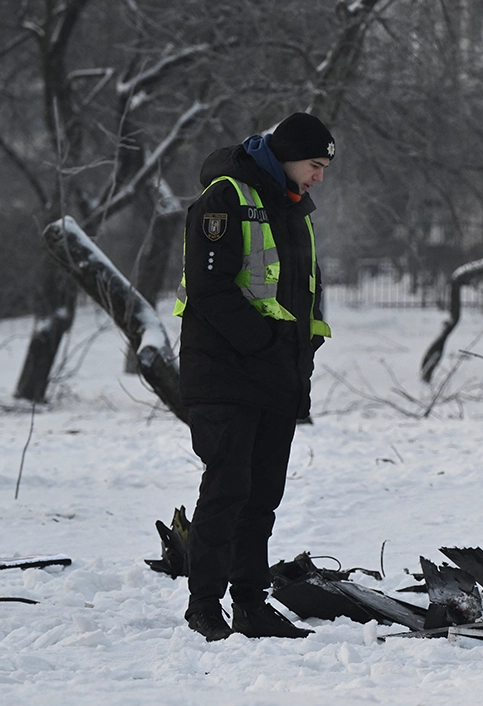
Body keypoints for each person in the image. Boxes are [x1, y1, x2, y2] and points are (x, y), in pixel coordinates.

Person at [173, 113, 335, 641]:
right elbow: (210, 290)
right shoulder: (224, 199)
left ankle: (250, 604)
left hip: (275, 380)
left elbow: (303, 298)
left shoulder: (295, 210)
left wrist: (298, 366)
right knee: (227, 491)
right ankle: (204, 608)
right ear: (287, 155)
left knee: (262, 495)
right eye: (314, 165)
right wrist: (267, 349)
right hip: (224, 376)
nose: (319, 177)